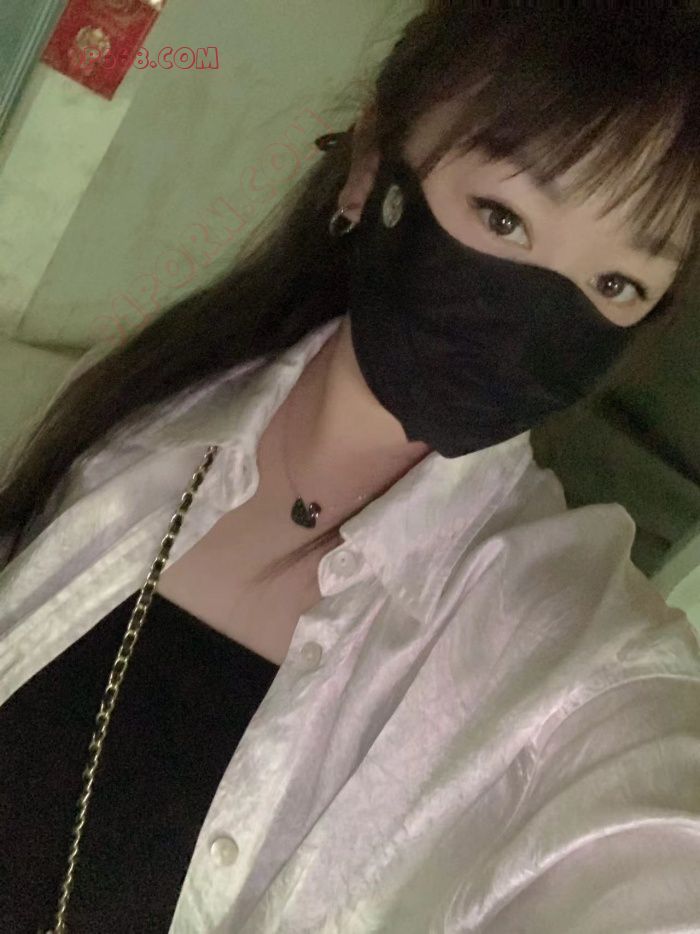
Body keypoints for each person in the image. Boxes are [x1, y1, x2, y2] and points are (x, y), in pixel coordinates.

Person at [1, 3, 699, 932]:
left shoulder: (580, 660)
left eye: (616, 284)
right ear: (372, 167)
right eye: (504, 217)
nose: (536, 317)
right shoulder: (145, 406)